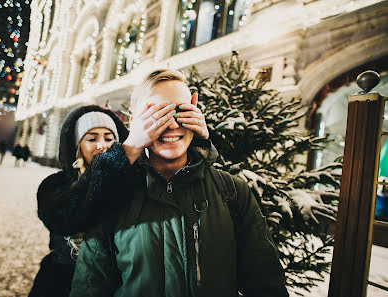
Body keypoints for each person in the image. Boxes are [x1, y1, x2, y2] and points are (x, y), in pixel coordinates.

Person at [70, 69, 288, 297]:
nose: (172, 125)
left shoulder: (232, 191)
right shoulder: (113, 194)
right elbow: (89, 287)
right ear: (135, 125)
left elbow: (265, 283)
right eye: (157, 113)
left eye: (180, 111)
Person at [29, 105, 129, 297]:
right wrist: (103, 170)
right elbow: (66, 218)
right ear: (77, 145)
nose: (102, 145)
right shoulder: (55, 185)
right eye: (92, 139)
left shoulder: (128, 184)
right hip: (61, 283)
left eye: (109, 138)